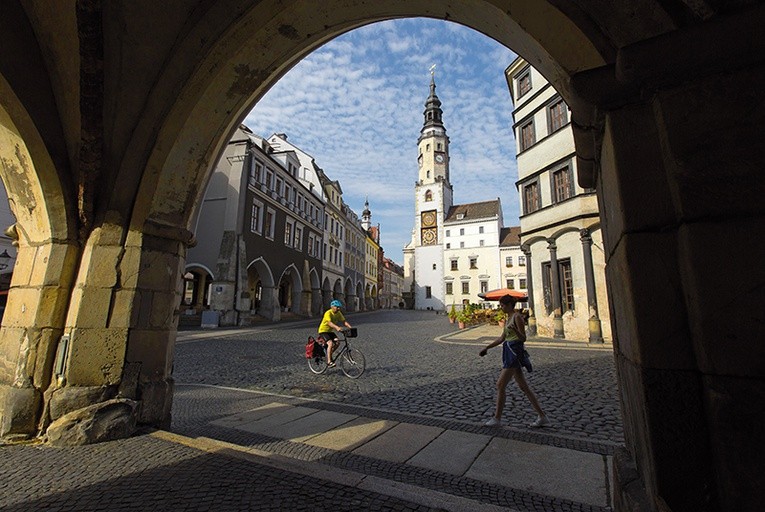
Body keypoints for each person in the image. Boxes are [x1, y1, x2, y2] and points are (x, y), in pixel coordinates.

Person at [479, 294, 549, 428]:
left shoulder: (517, 317)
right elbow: (501, 338)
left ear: (510, 305)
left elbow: (523, 338)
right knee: (524, 387)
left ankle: (497, 418)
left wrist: (515, 329)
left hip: (514, 353)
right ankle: (542, 416)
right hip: (508, 351)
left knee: (500, 385)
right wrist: (487, 347)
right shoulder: (508, 318)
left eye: (503, 305)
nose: (501, 308)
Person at [318, 299, 352, 367]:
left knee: (337, 342)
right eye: (337, 307)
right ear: (332, 307)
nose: (339, 309)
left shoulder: (338, 313)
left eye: (339, 307)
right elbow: (329, 323)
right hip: (323, 331)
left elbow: (344, 321)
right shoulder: (328, 313)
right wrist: (337, 328)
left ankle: (329, 355)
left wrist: (350, 327)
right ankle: (329, 361)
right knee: (330, 343)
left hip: (330, 331)